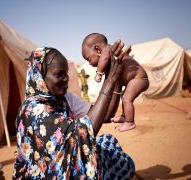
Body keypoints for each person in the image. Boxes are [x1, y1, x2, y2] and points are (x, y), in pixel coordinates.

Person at [13, 41, 135, 179]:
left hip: (66, 162)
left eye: (66, 73)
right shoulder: (34, 110)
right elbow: (82, 135)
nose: (66, 79)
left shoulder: (63, 98)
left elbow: (105, 115)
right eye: (59, 74)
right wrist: (110, 80)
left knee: (108, 142)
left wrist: (117, 79)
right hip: (46, 174)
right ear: (40, 77)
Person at [82, 33, 150, 132]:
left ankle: (130, 122)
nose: (89, 63)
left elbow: (104, 59)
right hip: (136, 79)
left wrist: (99, 73)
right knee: (124, 96)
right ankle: (124, 116)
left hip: (138, 79)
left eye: (88, 59)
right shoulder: (112, 54)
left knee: (126, 98)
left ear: (97, 49)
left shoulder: (107, 50)